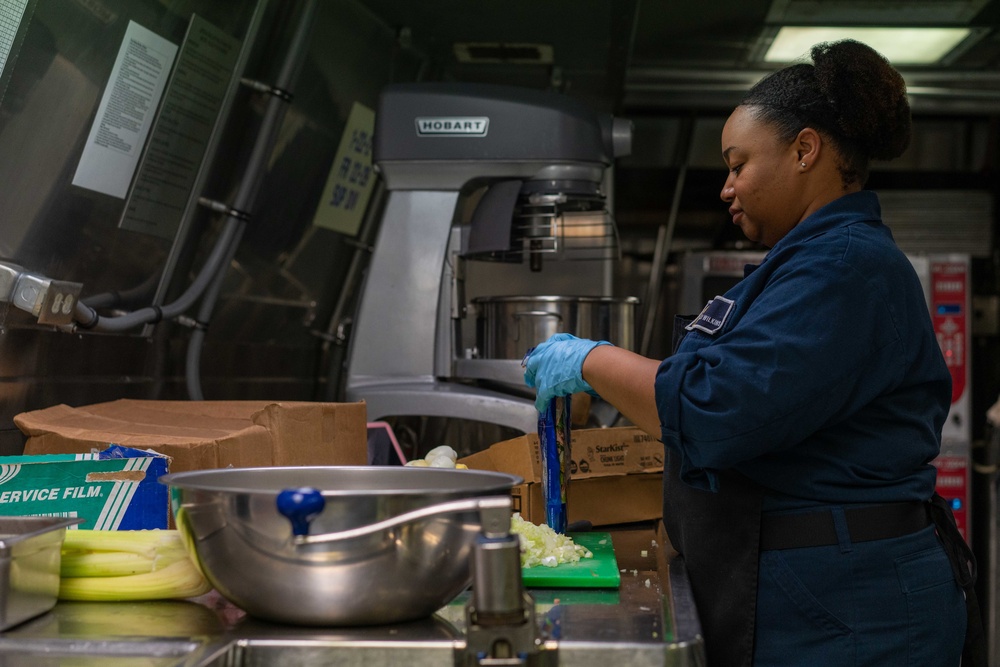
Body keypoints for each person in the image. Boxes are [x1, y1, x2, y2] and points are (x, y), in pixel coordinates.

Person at [523, 40, 983, 667]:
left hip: (850, 610)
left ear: (804, 150)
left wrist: (591, 359)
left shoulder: (845, 269)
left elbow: (714, 408)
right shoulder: (804, 266)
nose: (727, 187)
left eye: (738, 165)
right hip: (814, 590)